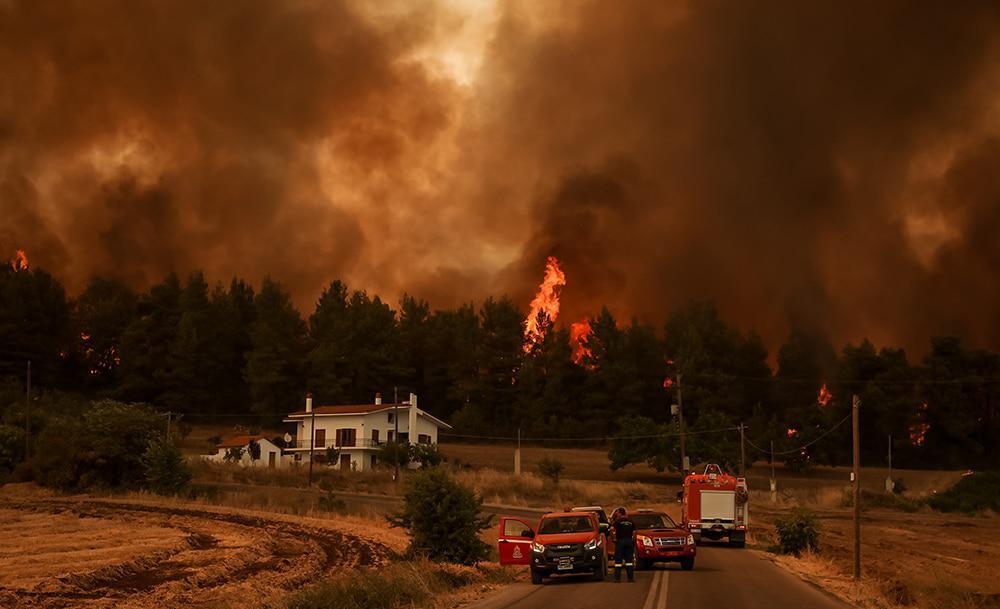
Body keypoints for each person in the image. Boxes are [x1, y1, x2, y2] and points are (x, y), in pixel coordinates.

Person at [612, 507, 636, 582]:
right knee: (629, 561)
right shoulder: (631, 521)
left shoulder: (617, 521)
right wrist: (633, 542)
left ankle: (617, 579)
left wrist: (614, 539)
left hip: (620, 541)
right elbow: (634, 533)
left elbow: (612, 530)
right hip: (629, 541)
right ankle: (630, 578)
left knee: (618, 561)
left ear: (620, 513)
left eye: (617, 512)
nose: (616, 513)